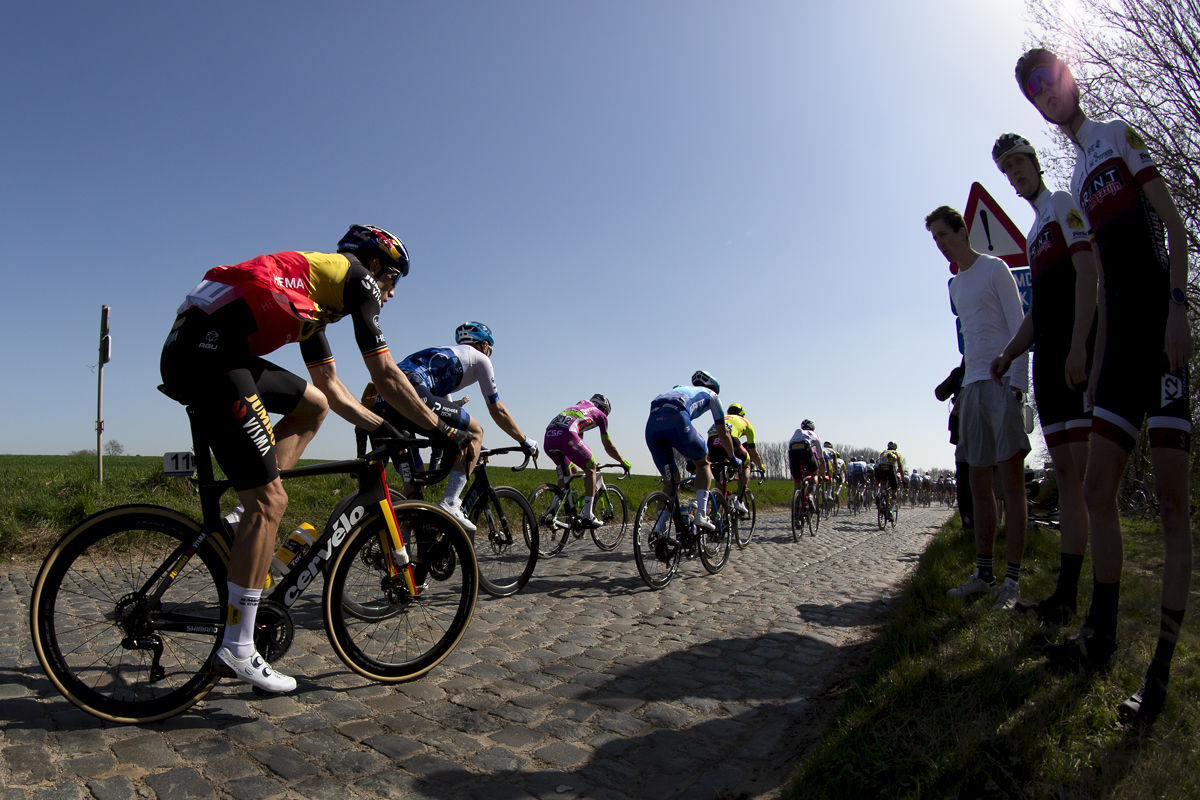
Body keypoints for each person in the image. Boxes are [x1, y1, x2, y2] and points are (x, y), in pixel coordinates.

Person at [159, 224, 470, 693]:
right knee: (272, 503)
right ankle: (238, 647)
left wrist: (378, 425)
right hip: (210, 358)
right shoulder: (357, 276)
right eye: (393, 281)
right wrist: (440, 429)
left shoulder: (316, 300)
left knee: (312, 405)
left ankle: (244, 515)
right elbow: (384, 372)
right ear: (378, 265)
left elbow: (329, 388)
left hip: (201, 349)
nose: (389, 293)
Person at [1017, 48, 1192, 722]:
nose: (1047, 96)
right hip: (1119, 346)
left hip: (1164, 333)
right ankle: (1102, 635)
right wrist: (1094, 356)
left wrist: (1178, 308)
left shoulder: (1117, 137)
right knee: (1093, 489)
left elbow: (1172, 226)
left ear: (1070, 83)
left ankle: (1161, 676)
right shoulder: (1077, 175)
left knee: (1174, 506)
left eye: (1050, 82)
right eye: (1035, 93)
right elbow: (1100, 273)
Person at [987, 132, 1099, 626]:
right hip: (1047, 361)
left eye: (1019, 164)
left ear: (1035, 161)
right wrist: (1010, 352)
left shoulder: (1061, 203)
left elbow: (1087, 271)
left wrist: (1080, 345)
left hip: (1075, 353)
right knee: (1070, 479)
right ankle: (1065, 596)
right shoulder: (1034, 232)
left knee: (1087, 480)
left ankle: (1091, 600)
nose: (1015, 175)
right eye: (1007, 170)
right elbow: (1036, 309)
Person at [928, 203, 1031, 611]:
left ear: (962, 230)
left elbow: (1020, 323)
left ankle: (1013, 581)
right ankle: (984, 574)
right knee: (978, 485)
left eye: (945, 235)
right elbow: (970, 339)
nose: (941, 244)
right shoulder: (954, 286)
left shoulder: (995, 268)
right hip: (971, 389)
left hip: (1002, 383)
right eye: (935, 239)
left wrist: (1017, 388)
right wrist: (960, 389)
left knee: (1012, 486)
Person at [368, 322, 540, 531]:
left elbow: (446, 415)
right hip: (413, 391)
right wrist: (524, 440)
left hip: (383, 399)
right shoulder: (481, 359)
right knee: (477, 431)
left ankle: (401, 556)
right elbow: (498, 410)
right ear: (485, 346)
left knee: (414, 487)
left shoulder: (445, 356)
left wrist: (474, 447)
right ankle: (450, 502)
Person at [645, 371, 737, 532]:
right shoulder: (712, 395)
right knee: (703, 462)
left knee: (670, 482)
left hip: (652, 425)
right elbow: (723, 433)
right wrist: (732, 457)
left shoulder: (678, 389)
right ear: (714, 388)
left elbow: (681, 439)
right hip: (677, 419)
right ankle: (701, 513)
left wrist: (689, 460)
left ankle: (659, 530)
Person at [543, 394, 632, 526]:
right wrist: (622, 461)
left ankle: (554, 508)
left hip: (549, 436)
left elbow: (579, 440)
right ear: (605, 409)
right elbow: (608, 446)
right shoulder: (601, 415)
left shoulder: (580, 407)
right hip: (566, 435)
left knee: (571, 470)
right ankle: (588, 515)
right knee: (591, 467)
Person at [706, 403, 766, 513]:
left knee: (719, 483)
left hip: (712, 442)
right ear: (742, 414)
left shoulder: (723, 418)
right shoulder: (746, 423)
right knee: (746, 463)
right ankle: (739, 500)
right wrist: (761, 466)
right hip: (730, 439)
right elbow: (753, 453)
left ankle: (715, 512)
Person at [787, 421, 826, 515]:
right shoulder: (815, 436)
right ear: (813, 429)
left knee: (797, 483)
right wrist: (823, 475)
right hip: (806, 448)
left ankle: (796, 511)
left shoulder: (796, 434)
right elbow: (821, 459)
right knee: (814, 473)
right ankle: (811, 496)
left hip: (792, 450)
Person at [874, 442, 904, 516]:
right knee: (894, 489)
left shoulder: (883, 452)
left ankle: (880, 495)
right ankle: (891, 509)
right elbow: (900, 467)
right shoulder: (896, 453)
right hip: (890, 468)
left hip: (880, 468)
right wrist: (903, 479)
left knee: (882, 483)